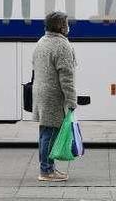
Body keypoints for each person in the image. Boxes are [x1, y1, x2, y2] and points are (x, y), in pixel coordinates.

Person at [33, 11, 77, 182]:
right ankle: (46, 171)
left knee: (45, 133)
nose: (68, 26)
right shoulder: (62, 45)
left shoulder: (42, 41)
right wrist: (72, 100)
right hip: (53, 95)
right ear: (60, 26)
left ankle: (48, 167)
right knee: (50, 134)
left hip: (41, 92)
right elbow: (67, 77)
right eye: (66, 23)